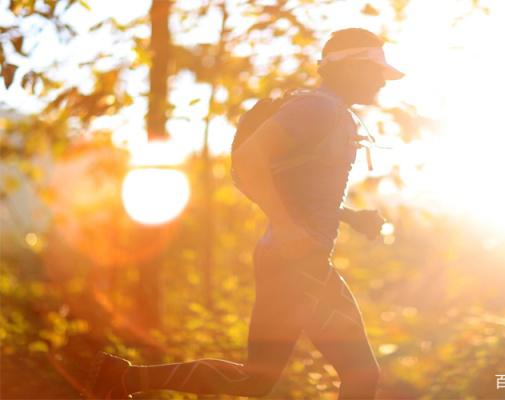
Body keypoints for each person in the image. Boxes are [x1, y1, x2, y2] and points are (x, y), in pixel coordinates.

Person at [85, 27, 404, 400]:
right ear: (351, 68)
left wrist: (349, 216)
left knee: (257, 380)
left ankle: (122, 380)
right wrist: (287, 229)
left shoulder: (330, 113)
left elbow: (300, 191)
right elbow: (249, 158)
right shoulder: (316, 109)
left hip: (301, 263)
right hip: (295, 264)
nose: (383, 81)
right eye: (376, 71)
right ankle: (120, 379)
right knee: (360, 375)